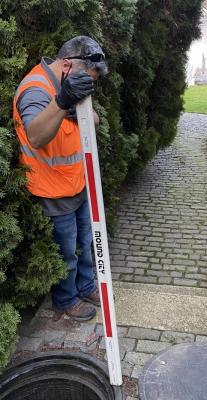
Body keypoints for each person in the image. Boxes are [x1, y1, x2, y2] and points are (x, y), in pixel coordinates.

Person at [13, 36, 108, 322]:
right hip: (53, 189)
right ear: (67, 65)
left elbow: (93, 120)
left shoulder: (69, 82)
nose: (89, 86)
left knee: (85, 240)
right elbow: (37, 135)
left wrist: (73, 104)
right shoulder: (35, 90)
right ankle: (66, 300)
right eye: (87, 78)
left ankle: (87, 286)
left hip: (78, 182)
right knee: (66, 250)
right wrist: (63, 101)